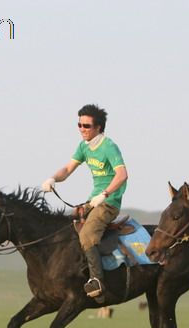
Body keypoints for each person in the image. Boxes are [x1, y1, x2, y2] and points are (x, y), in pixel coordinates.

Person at [42, 104, 128, 301]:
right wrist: (53, 178)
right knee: (69, 227)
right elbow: (68, 168)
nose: (82, 129)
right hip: (92, 200)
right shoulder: (84, 147)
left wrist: (105, 194)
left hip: (109, 202)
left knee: (88, 234)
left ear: (98, 127)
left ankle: (97, 281)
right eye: (79, 124)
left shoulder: (108, 146)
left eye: (86, 126)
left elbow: (122, 174)